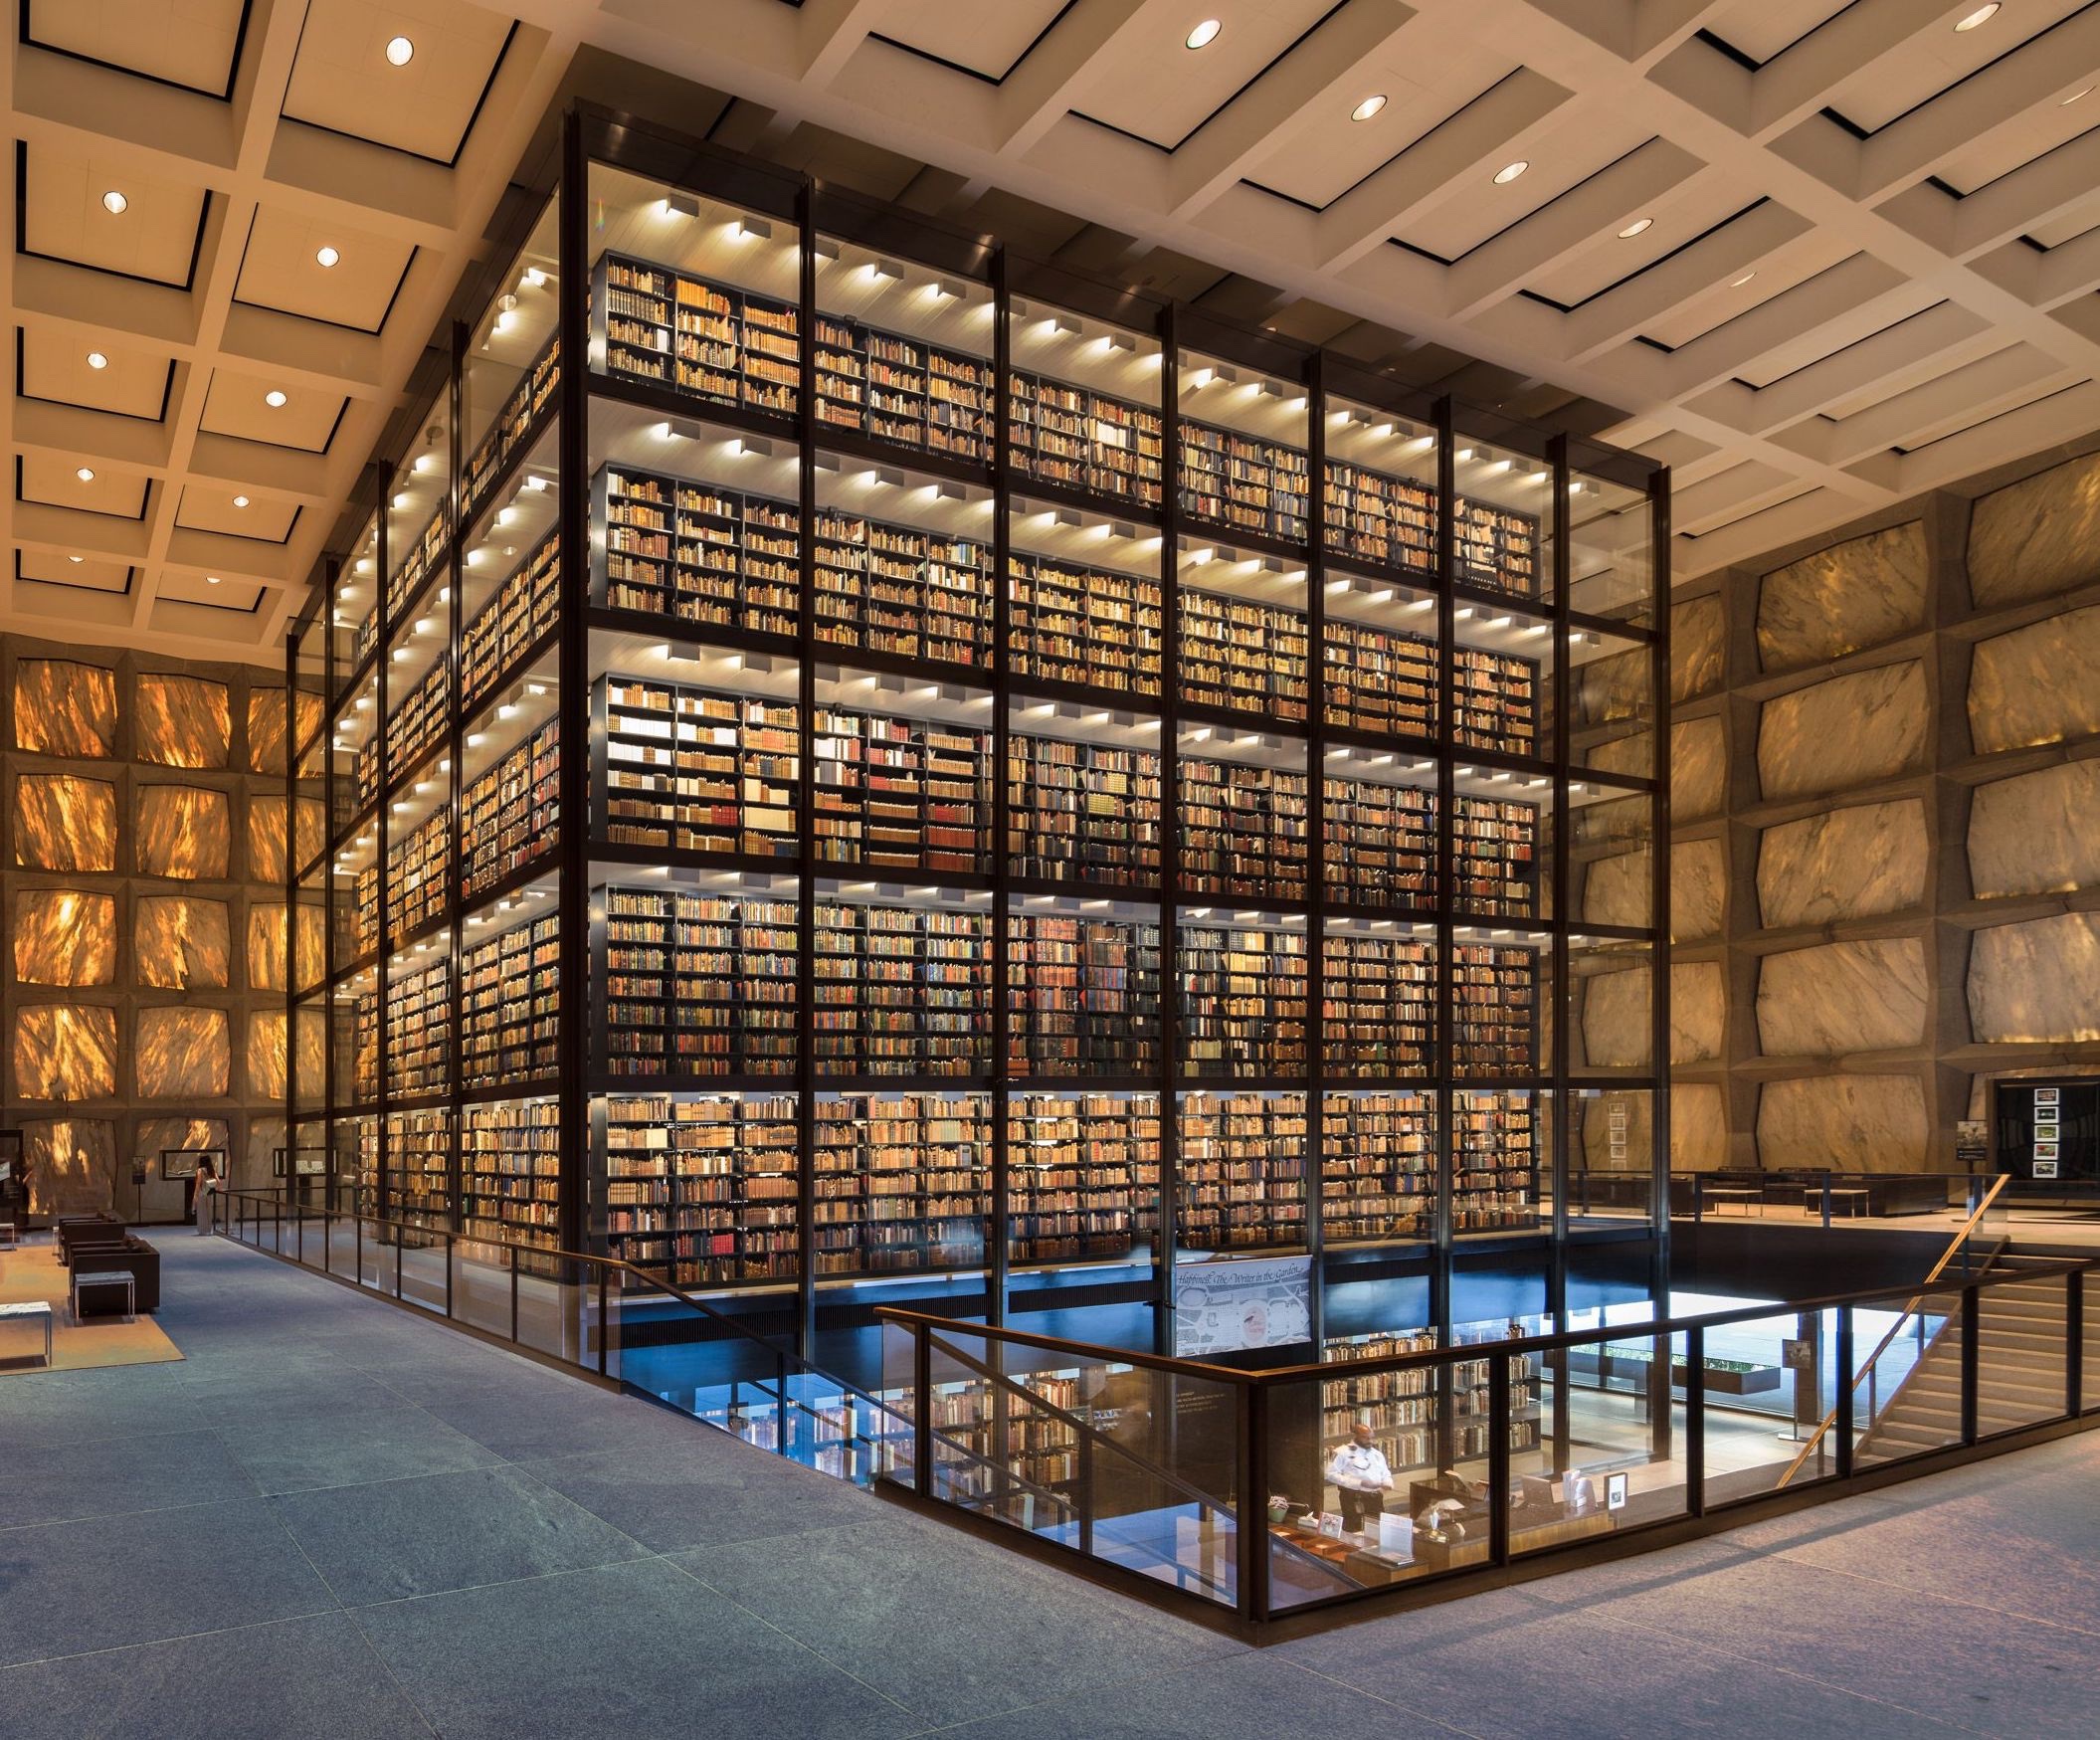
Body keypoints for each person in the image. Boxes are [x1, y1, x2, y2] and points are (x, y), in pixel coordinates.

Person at [1325, 1421, 1394, 1536]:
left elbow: (1386, 1473)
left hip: (1375, 1498)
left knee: (1377, 1531)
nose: (1370, 1441)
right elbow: (1330, 1474)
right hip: (1353, 1498)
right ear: (1355, 1436)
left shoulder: (1377, 1454)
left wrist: (1387, 1483)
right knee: (1353, 1531)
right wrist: (1359, 1483)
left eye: (1371, 1438)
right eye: (1365, 1438)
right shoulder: (1341, 1452)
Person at [193, 1157, 220, 1237]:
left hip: (202, 1193)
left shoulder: (200, 1170)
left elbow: (198, 1184)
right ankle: (209, 1229)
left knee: (201, 1212)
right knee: (209, 1212)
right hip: (209, 1193)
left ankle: (203, 1230)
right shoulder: (211, 1170)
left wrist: (195, 1195)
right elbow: (218, 1182)